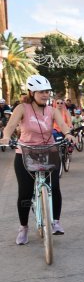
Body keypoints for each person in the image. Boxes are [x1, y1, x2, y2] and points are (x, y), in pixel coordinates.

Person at [0, 75, 75, 244]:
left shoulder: (52, 110)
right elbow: (10, 126)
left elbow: (63, 126)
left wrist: (68, 134)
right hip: (25, 152)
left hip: (48, 151)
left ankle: (55, 221)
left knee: (54, 187)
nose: (45, 95)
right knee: (25, 193)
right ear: (31, 92)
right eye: (41, 92)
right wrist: (5, 137)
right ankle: (23, 228)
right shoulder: (22, 108)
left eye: (47, 92)